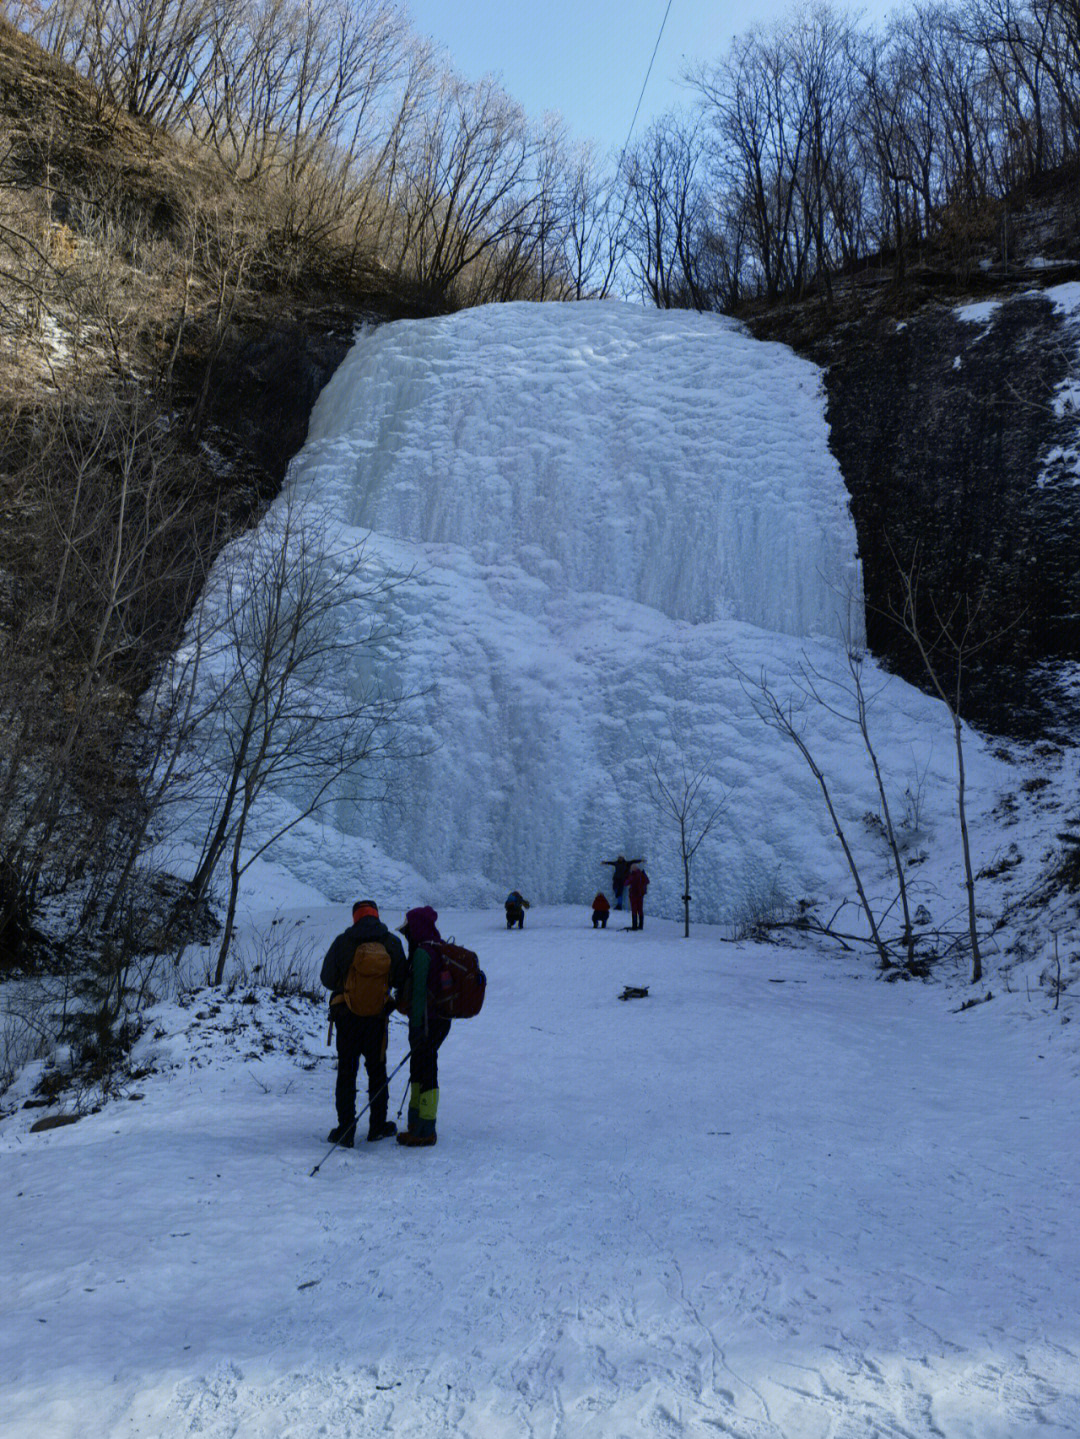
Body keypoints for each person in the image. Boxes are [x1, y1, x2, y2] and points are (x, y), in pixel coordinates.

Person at [320, 900, 405, 1147]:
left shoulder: (343, 941)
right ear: (376, 916)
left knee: (347, 1071)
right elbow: (400, 978)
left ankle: (346, 1129)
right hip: (377, 1018)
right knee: (377, 1070)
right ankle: (377, 1126)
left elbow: (327, 978)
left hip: (347, 1017)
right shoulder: (391, 942)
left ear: (355, 917)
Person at [396, 905, 451, 1148]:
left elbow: (419, 994)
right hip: (440, 1020)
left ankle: (425, 1129)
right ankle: (417, 1122)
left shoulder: (422, 953)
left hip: (427, 1022)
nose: (406, 932)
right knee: (422, 1066)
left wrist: (416, 1029)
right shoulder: (437, 947)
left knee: (425, 1068)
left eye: (408, 927)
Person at [626, 862, 650, 931]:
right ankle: (641, 925)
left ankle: (634, 926)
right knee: (640, 909)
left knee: (634, 910)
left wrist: (629, 876)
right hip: (641, 895)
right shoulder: (642, 874)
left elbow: (626, 883)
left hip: (633, 895)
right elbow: (647, 881)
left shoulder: (633, 875)